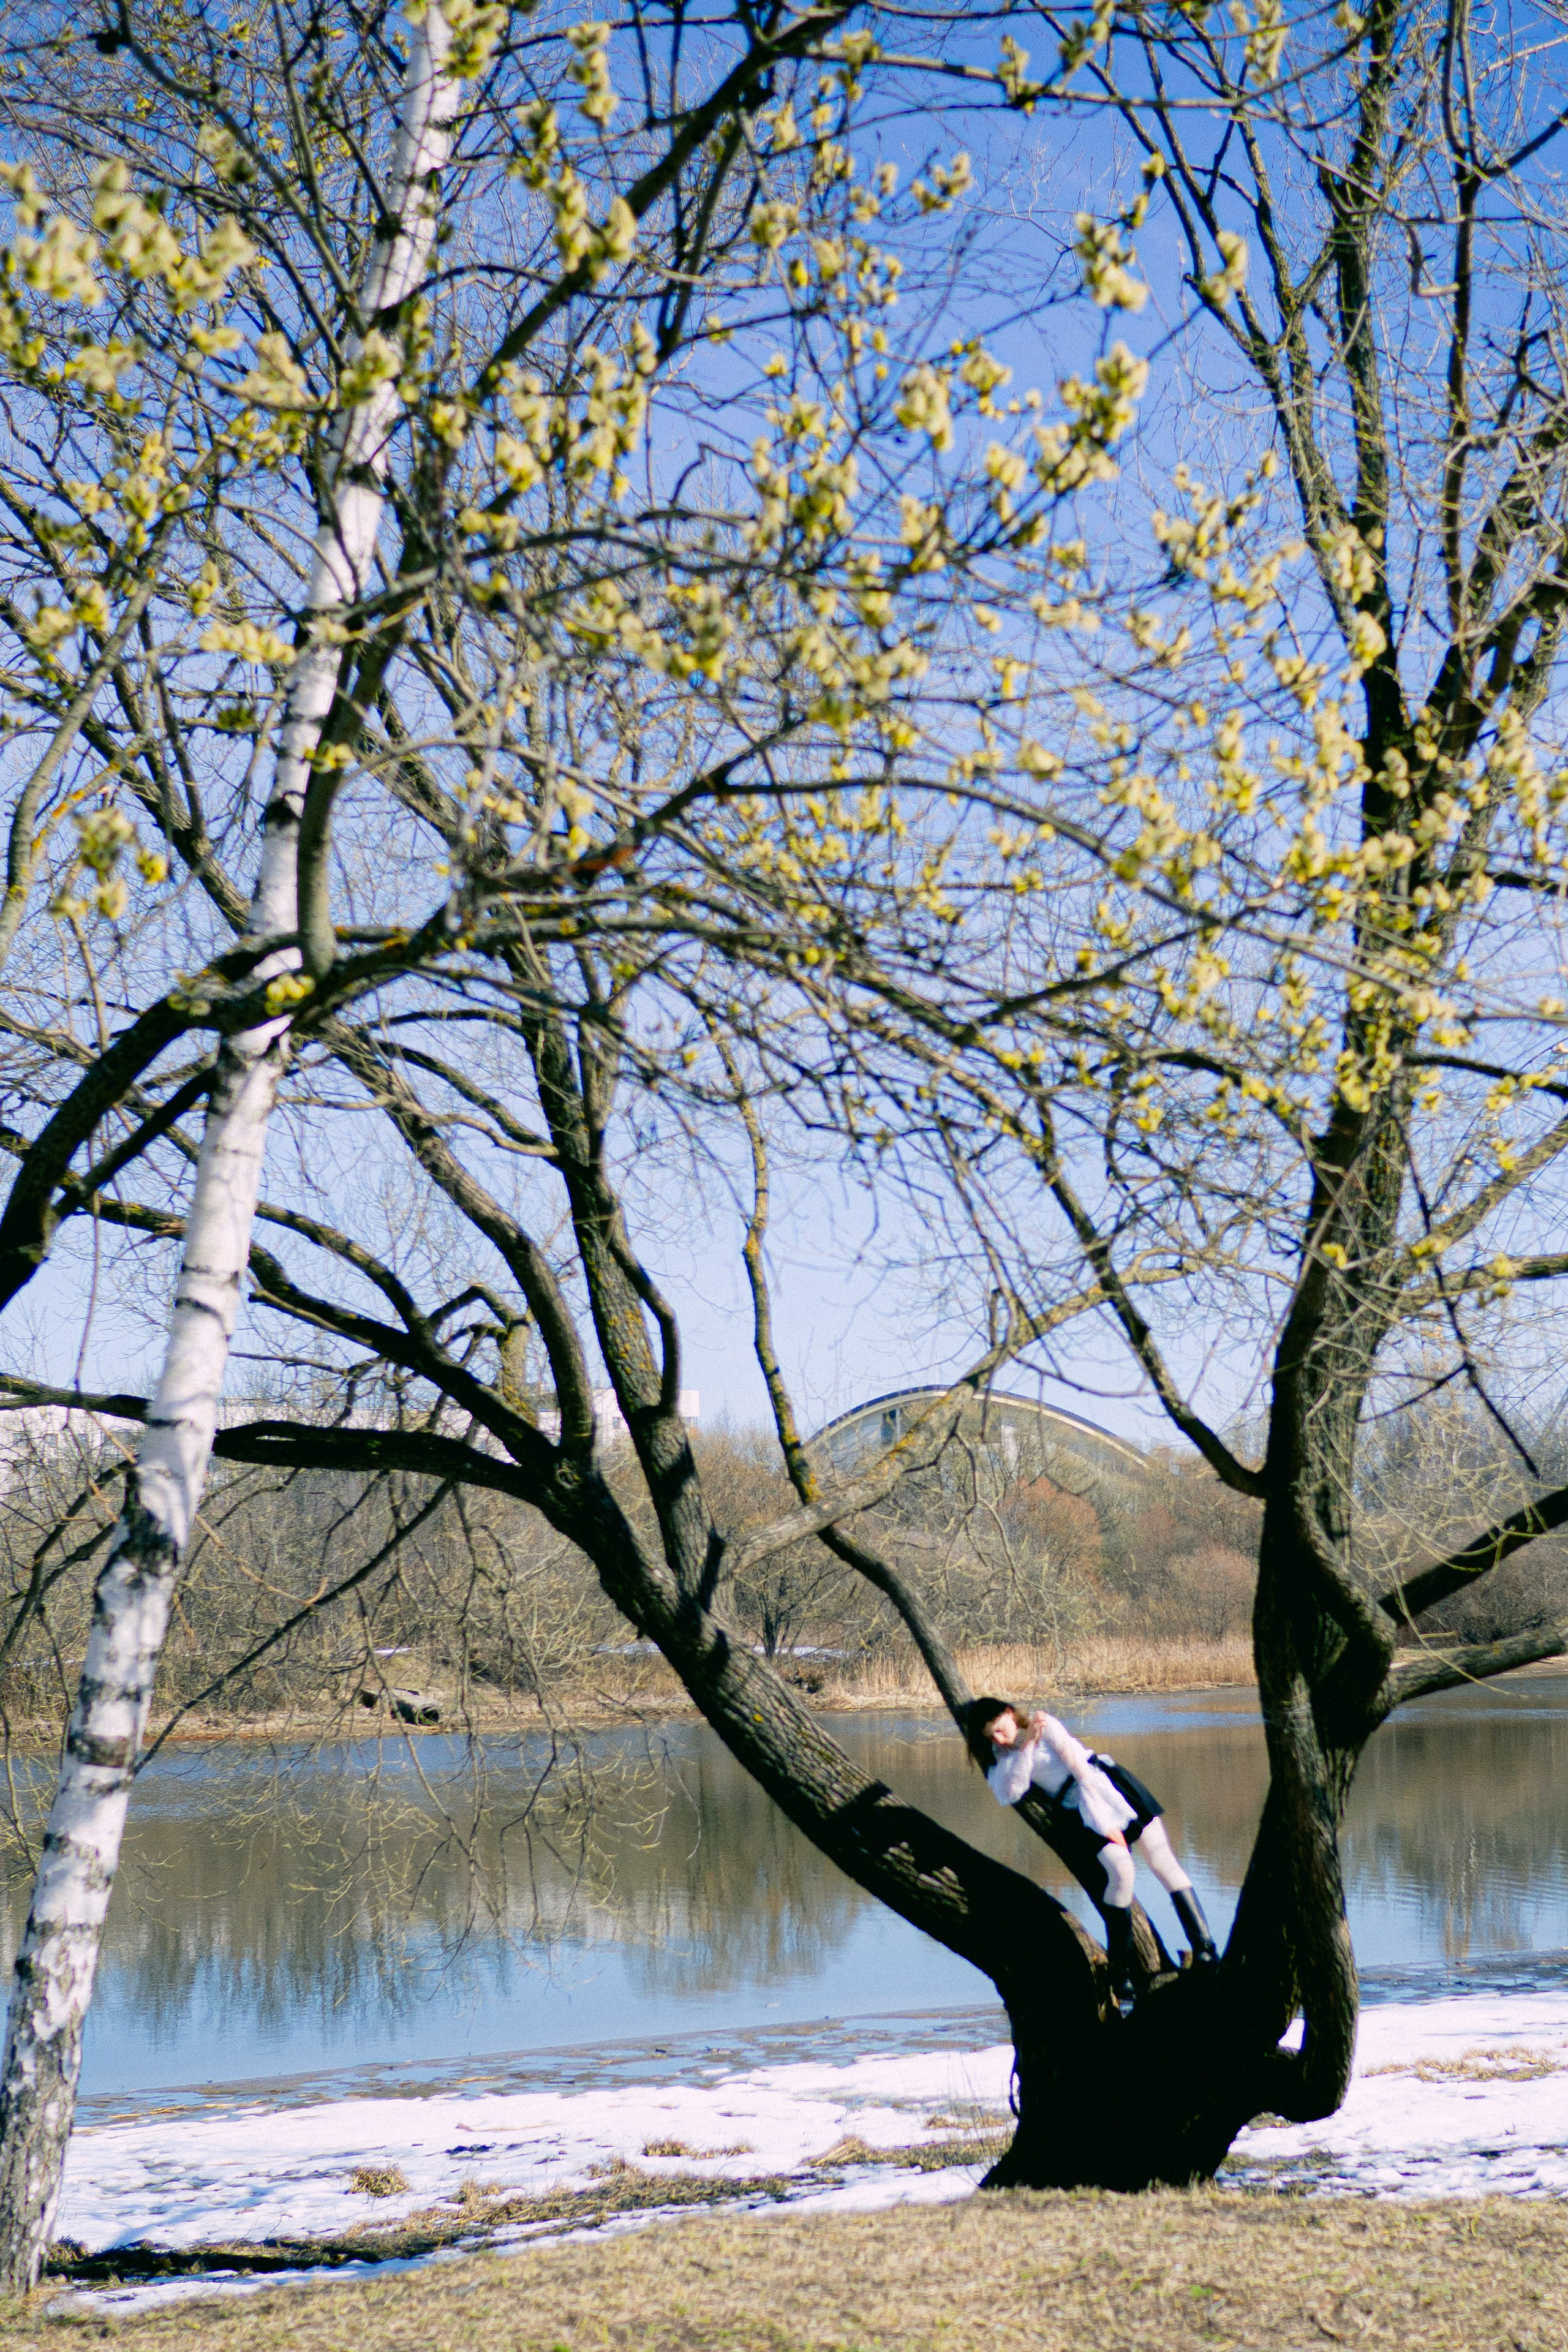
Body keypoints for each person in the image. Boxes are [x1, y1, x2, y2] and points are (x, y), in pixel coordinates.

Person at [964, 1695, 1218, 2016]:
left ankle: (1206, 1949)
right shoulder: (1003, 1757)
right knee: (1122, 1872)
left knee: (1163, 1862)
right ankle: (1121, 1973)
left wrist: (1107, 1819)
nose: (999, 1738)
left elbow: (1079, 1767)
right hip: (1076, 1809)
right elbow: (1009, 1791)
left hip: (1106, 1788)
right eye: (991, 1736)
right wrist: (1026, 1746)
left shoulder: (1046, 1723)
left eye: (1000, 1728)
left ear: (1010, 1714)